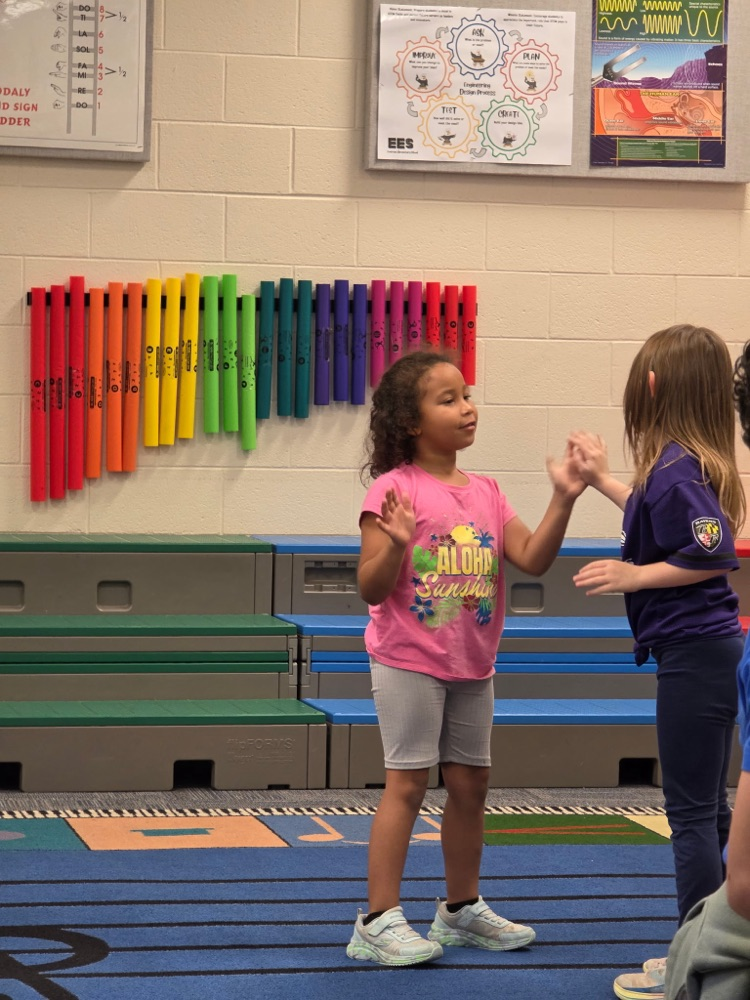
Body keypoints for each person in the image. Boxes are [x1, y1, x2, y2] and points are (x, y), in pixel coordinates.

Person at [346, 350, 587, 966]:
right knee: (407, 782)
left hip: (472, 664)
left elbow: (531, 558)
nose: (466, 407)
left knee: (471, 783)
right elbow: (371, 587)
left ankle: (459, 910)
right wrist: (398, 546)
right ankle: (377, 919)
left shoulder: (486, 490)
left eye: (467, 394)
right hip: (408, 658)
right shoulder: (393, 489)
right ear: (410, 421)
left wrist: (563, 498)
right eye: (447, 399)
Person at [568, 325, 746, 1000]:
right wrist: (601, 481)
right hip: (702, 652)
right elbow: (658, 517)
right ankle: (724, 943)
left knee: (692, 814)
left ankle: (694, 958)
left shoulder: (678, 470)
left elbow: (709, 553)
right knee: (715, 811)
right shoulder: (678, 467)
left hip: (697, 656)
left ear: (650, 386)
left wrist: (631, 576)